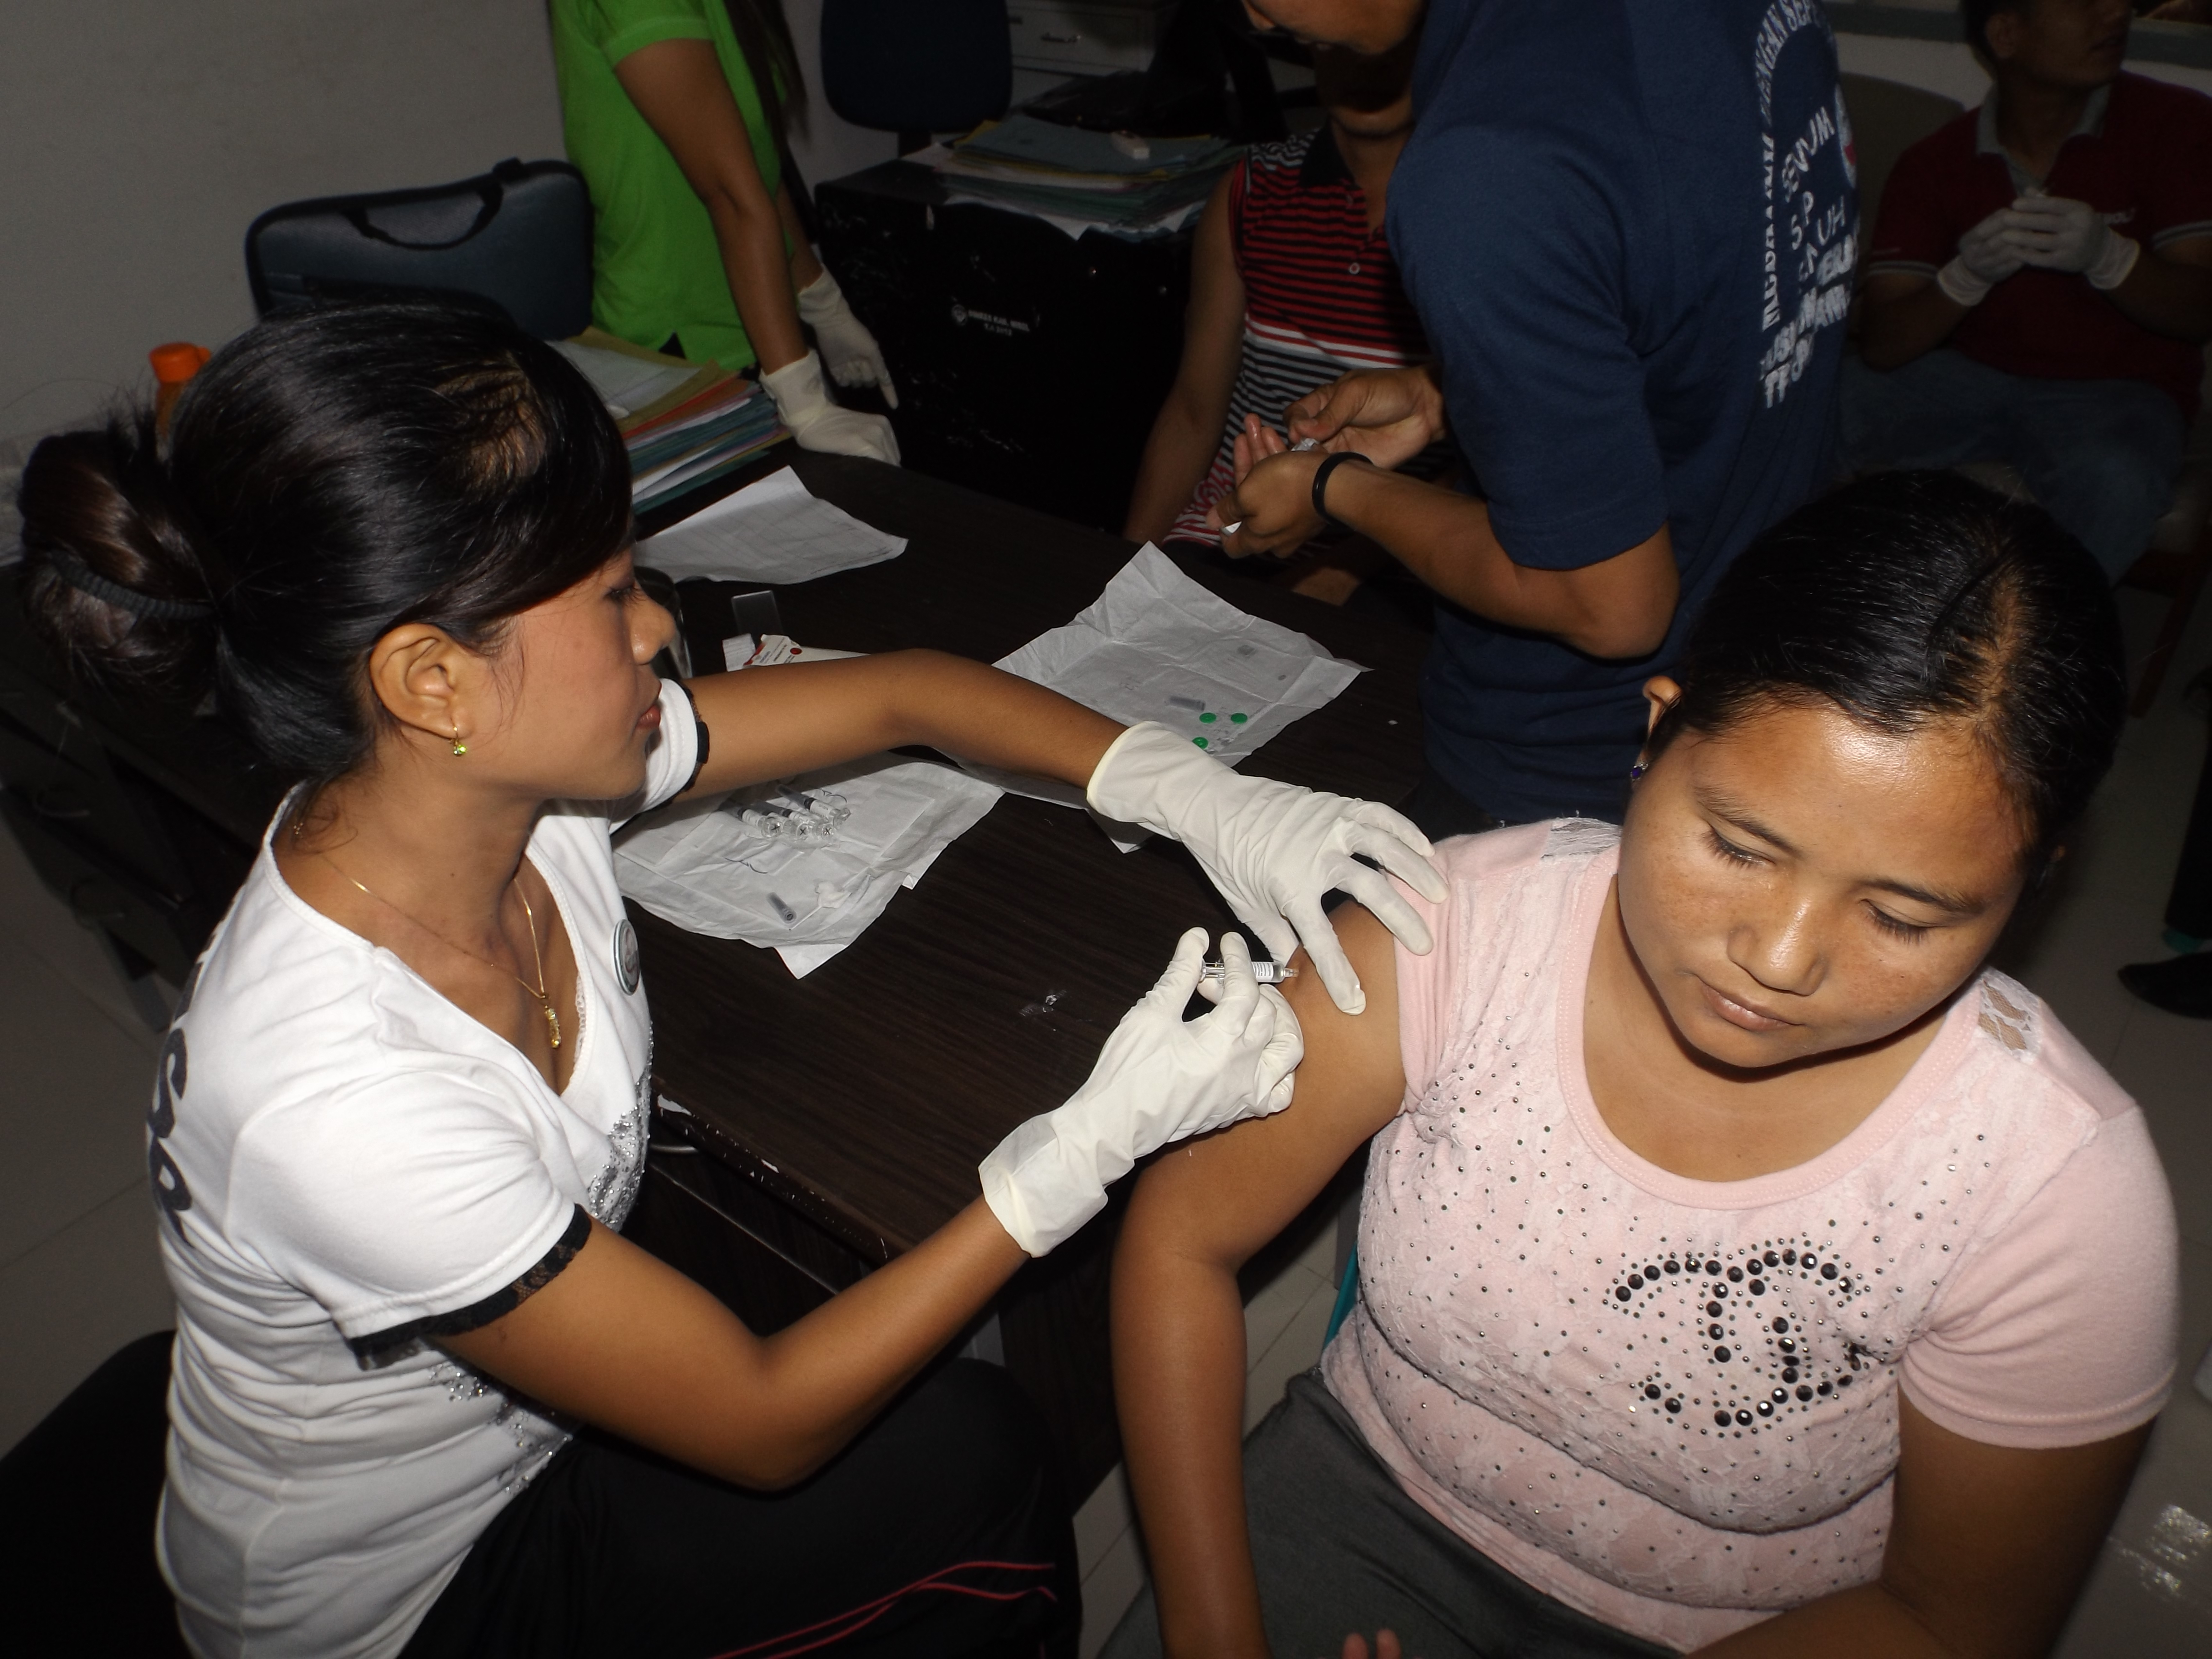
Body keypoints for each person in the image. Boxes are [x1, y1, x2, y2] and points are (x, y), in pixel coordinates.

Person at [13, 301, 1450, 1659]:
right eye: (608, 593)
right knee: (975, 1464)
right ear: (431, 682)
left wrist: (1185, 787)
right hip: (413, 1593)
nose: (654, 625)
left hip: (507, 1433)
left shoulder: (494, 791)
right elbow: (763, 1425)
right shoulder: (337, 1100)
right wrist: (1083, 1147)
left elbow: (903, 691)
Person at [1106, 472, 2178, 1658]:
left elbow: (1949, 1618)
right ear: (1657, 732)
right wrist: (1215, 1630)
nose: (1777, 958)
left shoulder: (2053, 1190)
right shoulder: (1455, 931)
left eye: (1902, 916)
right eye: (1738, 845)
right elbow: (1184, 1238)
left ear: (2031, 885)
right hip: (1375, 1486)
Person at [1203, 0, 1856, 839]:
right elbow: (1708, 308)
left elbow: (1611, 607)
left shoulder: (1484, 169)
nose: (1252, 19)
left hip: (1582, 759)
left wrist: (1333, 487)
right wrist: (1448, 396)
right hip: (1781, 656)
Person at [1845, 0, 2212, 583]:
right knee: (1814, 407)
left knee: (2117, 478)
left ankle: (2045, 635)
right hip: (1968, 377)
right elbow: (1883, 346)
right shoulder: (1936, 162)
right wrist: (1963, 279)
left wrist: (2112, 258)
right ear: (2006, 33)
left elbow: (2201, 309)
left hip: (2121, 393)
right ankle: (1793, 605)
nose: (2114, 13)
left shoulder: (2176, 125)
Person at [1120, 31, 1449, 607]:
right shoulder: (1251, 190)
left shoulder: (1484, 208)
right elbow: (1194, 413)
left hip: (1407, 556)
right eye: (1343, 37)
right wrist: (1121, 575)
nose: (1366, 56)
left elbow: (1497, 460)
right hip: (1229, 531)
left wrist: (1333, 576)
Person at [549, 0, 900, 462]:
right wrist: (804, 400)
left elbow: (756, 169)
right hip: (678, 347)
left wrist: (822, 303)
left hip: (759, 329)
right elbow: (732, 196)